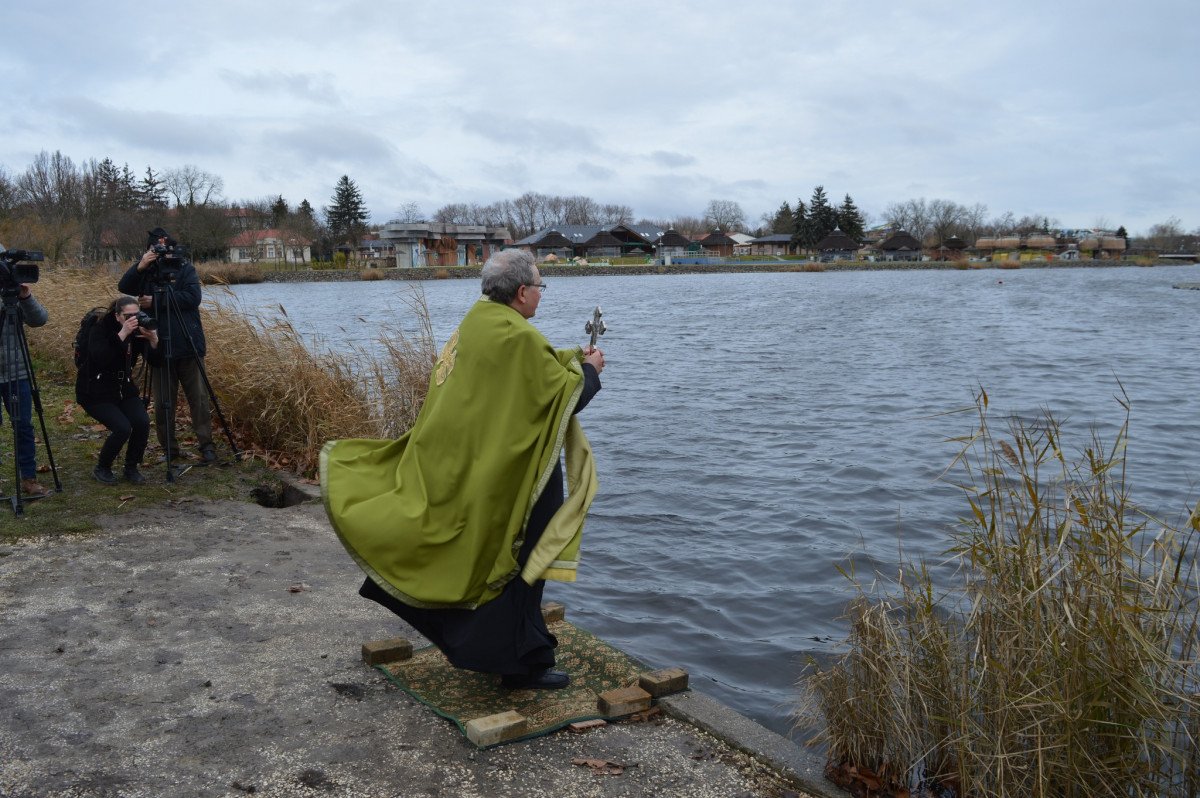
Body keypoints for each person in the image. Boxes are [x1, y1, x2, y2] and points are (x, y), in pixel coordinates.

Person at [322, 249, 606, 690]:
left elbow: (529, 373)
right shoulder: (517, 337)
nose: (541, 295)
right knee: (521, 561)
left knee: (495, 561)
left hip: (472, 466)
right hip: (509, 478)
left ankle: (507, 653)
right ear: (521, 292)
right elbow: (561, 398)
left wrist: (570, 358)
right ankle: (522, 666)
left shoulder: (478, 322)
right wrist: (590, 371)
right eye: (540, 286)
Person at [118, 228, 216, 465]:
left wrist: (157, 301)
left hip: (188, 343)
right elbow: (124, 287)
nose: (164, 255)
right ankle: (169, 448)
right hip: (158, 345)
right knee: (164, 403)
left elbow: (193, 298)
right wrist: (141, 265)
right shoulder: (147, 272)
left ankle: (207, 447)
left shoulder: (185, 269)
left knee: (199, 401)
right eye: (157, 250)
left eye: (167, 250)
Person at [76, 296, 162, 485]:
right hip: (94, 391)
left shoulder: (139, 331)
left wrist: (154, 341)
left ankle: (131, 468)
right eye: (128, 316)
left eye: (137, 314)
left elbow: (156, 363)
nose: (133, 319)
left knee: (142, 423)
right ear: (117, 316)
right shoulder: (100, 329)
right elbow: (100, 358)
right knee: (122, 428)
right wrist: (122, 335)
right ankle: (102, 468)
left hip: (123, 387)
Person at [0, 282, 49, 496]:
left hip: (17, 372)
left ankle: (29, 478)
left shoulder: (14, 294)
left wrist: (26, 297)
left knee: (23, 426)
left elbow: (39, 320)